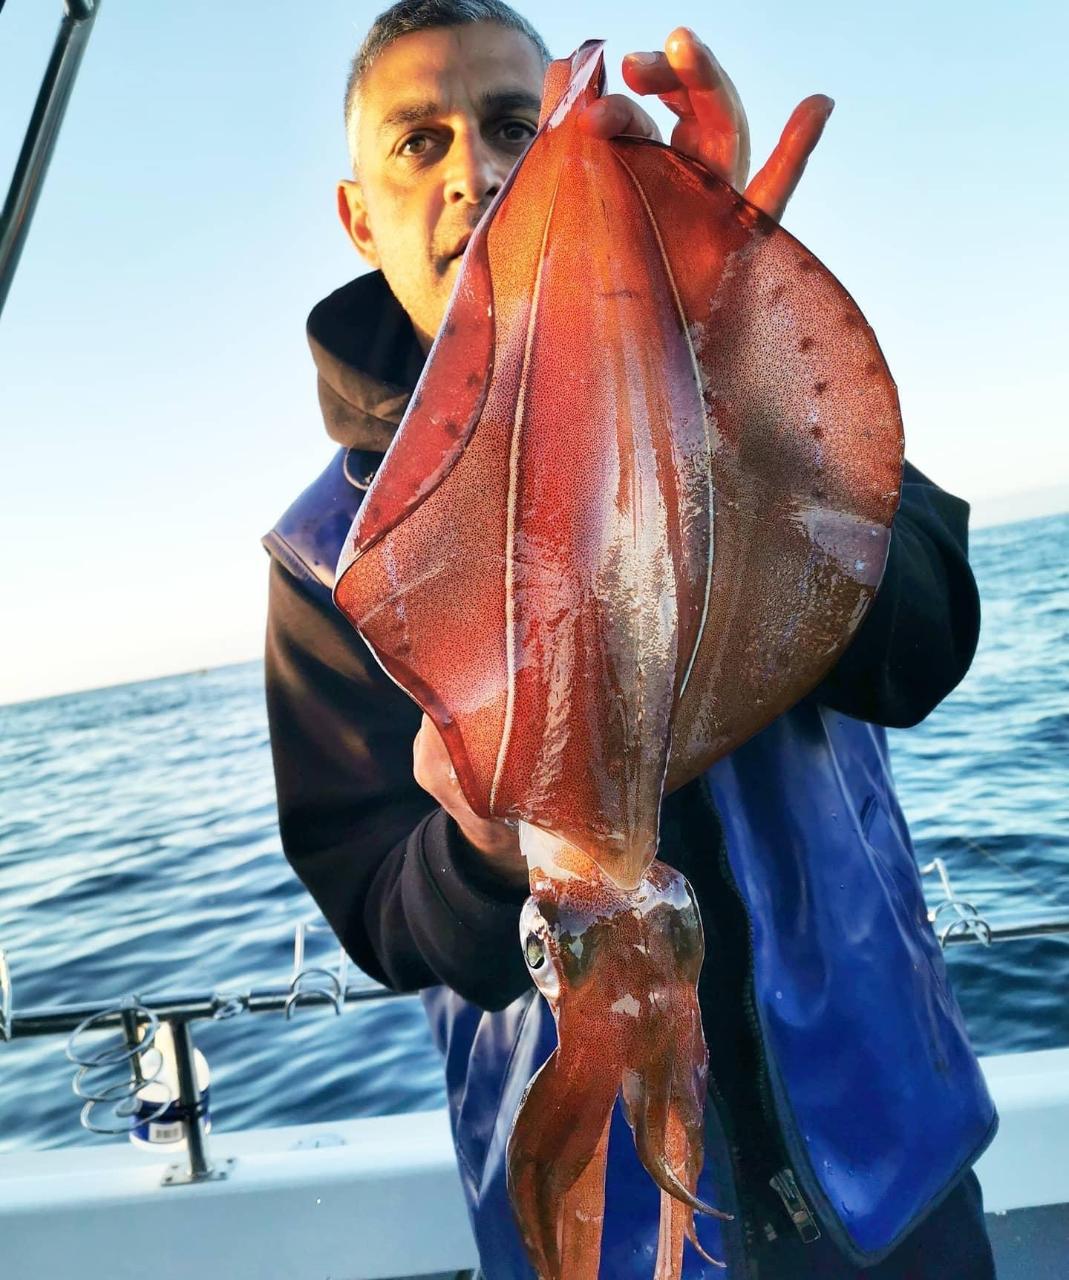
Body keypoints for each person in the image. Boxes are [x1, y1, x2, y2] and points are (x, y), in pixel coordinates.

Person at [263, 3, 997, 1276]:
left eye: (509, 126)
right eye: (418, 142)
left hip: (888, 1158)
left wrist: (736, 334)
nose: (474, 173)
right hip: (606, 1220)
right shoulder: (331, 556)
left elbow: (927, 639)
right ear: (359, 215)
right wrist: (492, 846)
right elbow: (381, 904)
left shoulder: (742, 374)